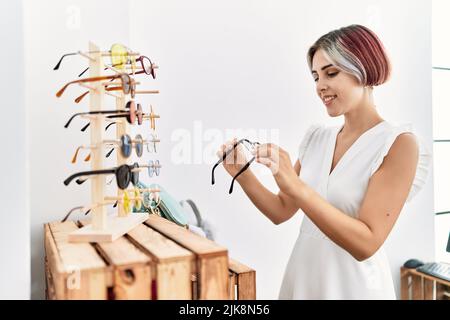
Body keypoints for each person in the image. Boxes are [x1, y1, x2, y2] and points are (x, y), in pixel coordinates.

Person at [216, 24, 431, 299]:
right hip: (304, 278)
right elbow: (281, 210)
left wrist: (294, 184)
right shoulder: (317, 138)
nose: (320, 86)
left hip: (354, 288)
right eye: (315, 77)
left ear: (364, 70)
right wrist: (242, 174)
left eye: (331, 73)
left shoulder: (399, 144)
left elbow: (367, 242)